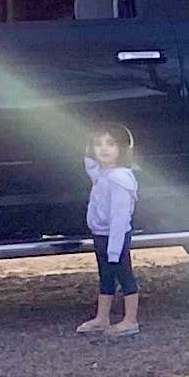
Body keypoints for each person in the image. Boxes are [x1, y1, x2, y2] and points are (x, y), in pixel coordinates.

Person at [78, 125, 141, 337]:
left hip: (116, 237)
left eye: (111, 143)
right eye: (98, 144)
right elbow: (90, 165)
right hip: (101, 234)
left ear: (122, 148)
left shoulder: (120, 179)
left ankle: (130, 320)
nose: (104, 149)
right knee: (105, 276)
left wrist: (115, 248)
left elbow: (120, 218)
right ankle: (102, 317)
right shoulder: (102, 174)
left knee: (124, 275)